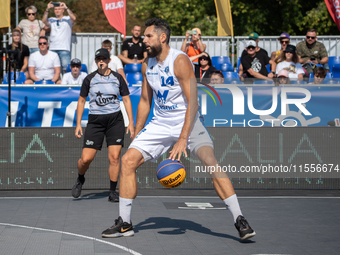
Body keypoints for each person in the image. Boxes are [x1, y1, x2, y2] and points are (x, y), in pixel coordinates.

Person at [101, 17, 255, 241]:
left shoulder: (180, 61)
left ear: (162, 38)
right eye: (144, 36)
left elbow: (193, 102)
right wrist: (137, 128)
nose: (144, 40)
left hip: (188, 121)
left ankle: (240, 219)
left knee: (210, 162)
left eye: (148, 36)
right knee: (127, 161)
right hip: (160, 123)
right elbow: (145, 100)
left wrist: (183, 138)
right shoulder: (147, 63)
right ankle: (125, 223)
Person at [72, 48, 134, 203]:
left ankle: (112, 191)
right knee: (86, 159)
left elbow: (126, 100)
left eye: (104, 59)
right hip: (96, 121)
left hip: (115, 120)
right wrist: (78, 123)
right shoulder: (89, 79)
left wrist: (131, 122)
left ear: (108, 61)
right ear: (95, 61)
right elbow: (81, 100)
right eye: (98, 59)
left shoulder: (118, 78)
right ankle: (80, 178)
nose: (101, 62)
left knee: (114, 158)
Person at [42, 1, 76, 74]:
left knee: (66, 68)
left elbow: (74, 18)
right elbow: (44, 21)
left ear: (63, 10)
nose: (57, 10)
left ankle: (66, 84)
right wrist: (47, 9)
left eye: (59, 9)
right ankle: (55, 84)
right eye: (55, 9)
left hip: (64, 48)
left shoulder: (67, 19)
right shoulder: (51, 19)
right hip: (52, 48)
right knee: (52, 68)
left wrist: (66, 7)